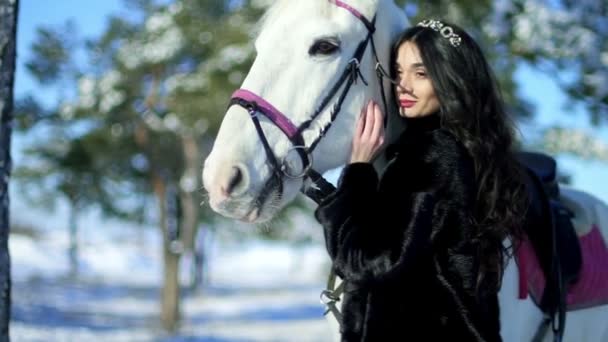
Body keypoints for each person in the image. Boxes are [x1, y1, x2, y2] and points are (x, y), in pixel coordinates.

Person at [315, 19, 529, 342]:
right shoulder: (456, 150)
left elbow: (368, 262)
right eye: (398, 72)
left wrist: (358, 172)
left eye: (421, 73)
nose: (403, 85)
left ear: (451, 79)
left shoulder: (432, 155)